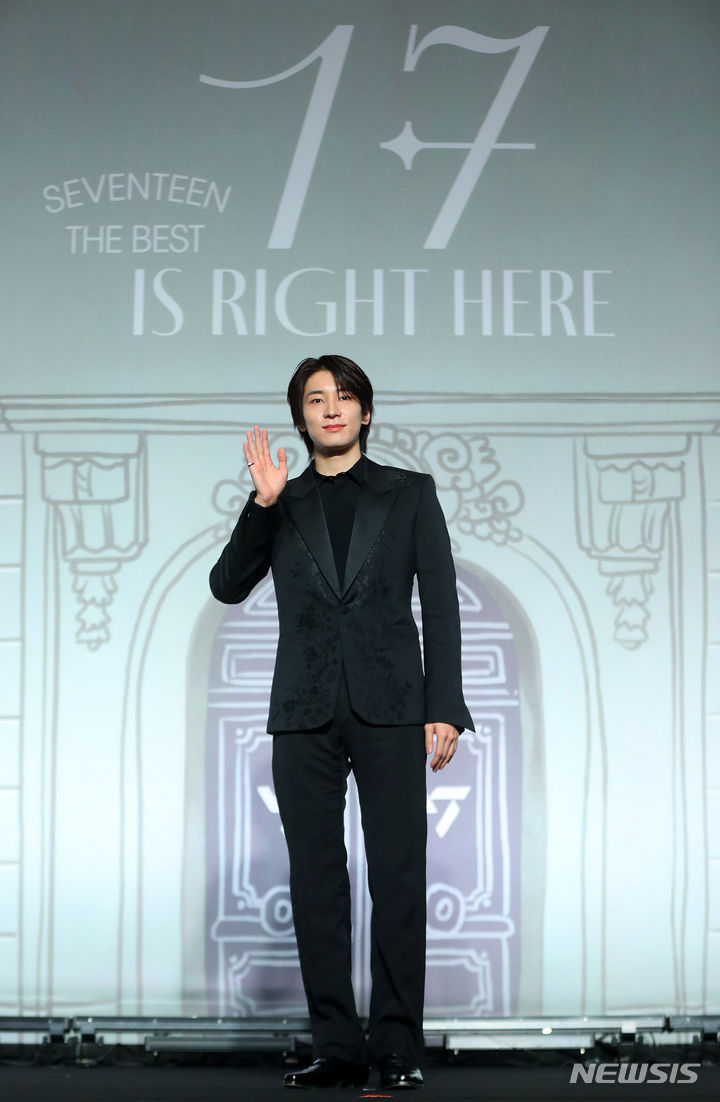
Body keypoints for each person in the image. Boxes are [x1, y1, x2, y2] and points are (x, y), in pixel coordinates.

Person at [209, 355, 473, 1090]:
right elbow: (226, 586)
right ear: (301, 417)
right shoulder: (281, 499)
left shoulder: (410, 493)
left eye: (345, 396)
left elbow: (441, 604)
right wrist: (261, 505)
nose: (331, 408)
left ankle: (397, 1046)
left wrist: (444, 706)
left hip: (392, 708)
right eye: (316, 398)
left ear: (365, 412)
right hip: (303, 711)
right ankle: (337, 1044)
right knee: (317, 881)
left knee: (398, 877)